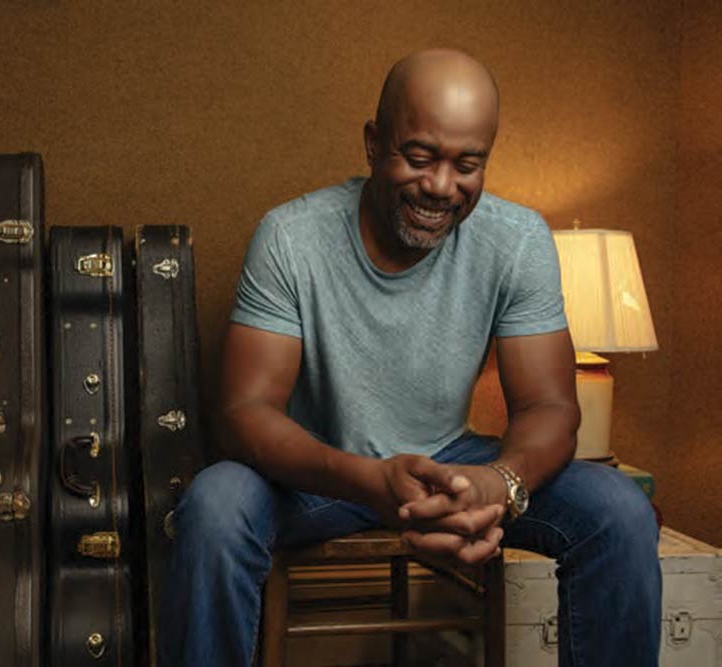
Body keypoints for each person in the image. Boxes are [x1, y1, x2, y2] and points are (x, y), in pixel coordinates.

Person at [158, 48, 661, 667]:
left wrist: (497, 483)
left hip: (449, 461)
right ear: (373, 143)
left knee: (620, 511)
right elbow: (244, 412)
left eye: (467, 164)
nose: (441, 187)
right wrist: (368, 482)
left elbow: (550, 405)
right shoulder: (291, 236)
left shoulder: (517, 238)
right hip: (317, 471)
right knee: (214, 507)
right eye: (419, 157)